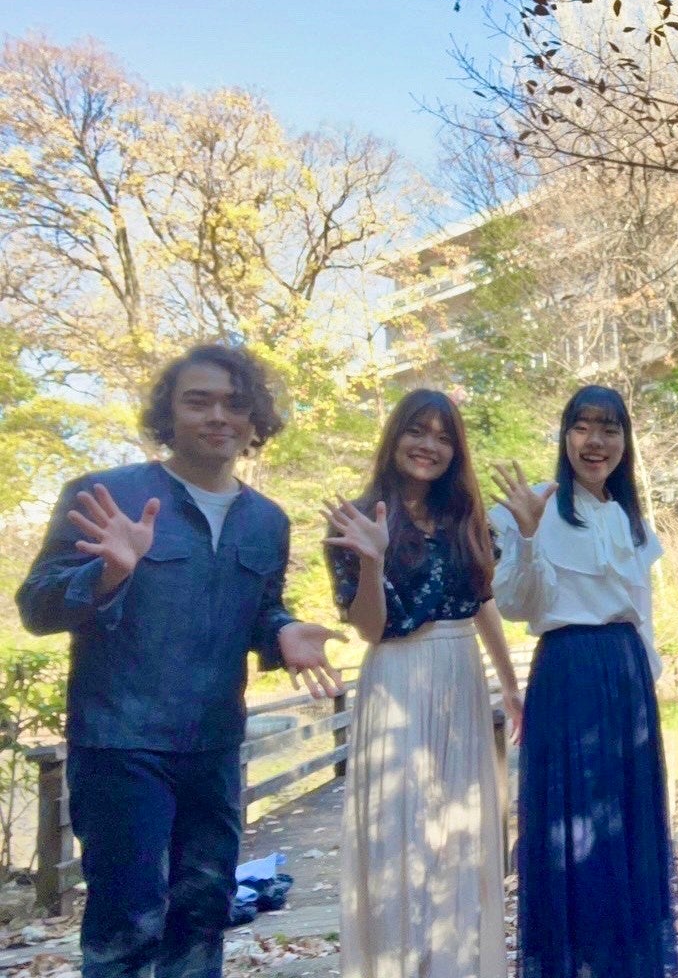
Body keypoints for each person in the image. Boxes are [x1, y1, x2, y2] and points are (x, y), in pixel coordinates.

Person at [16, 344, 343, 978]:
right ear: (169, 413)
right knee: (128, 923)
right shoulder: (108, 494)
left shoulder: (267, 521)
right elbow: (36, 607)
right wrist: (108, 572)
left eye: (235, 404)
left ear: (254, 419)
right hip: (120, 744)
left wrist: (282, 632)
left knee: (202, 915)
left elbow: (259, 611)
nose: (218, 416)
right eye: (199, 401)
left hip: (214, 747)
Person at [322, 389, 523, 978]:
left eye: (443, 436)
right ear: (395, 437)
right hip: (397, 676)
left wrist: (510, 684)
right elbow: (370, 628)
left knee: (459, 830)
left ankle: (456, 965)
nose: (428, 446)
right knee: (401, 832)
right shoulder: (358, 517)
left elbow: (481, 601)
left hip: (461, 674)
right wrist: (372, 560)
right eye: (417, 431)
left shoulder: (467, 518)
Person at [489, 384, 678, 978]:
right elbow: (516, 605)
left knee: (626, 822)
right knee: (570, 827)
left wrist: (647, 683)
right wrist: (527, 535)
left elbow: (641, 612)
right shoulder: (538, 506)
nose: (595, 442)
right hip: (568, 670)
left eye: (610, 429)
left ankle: (627, 963)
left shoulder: (628, 517)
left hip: (627, 679)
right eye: (583, 427)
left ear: (625, 441)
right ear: (565, 435)